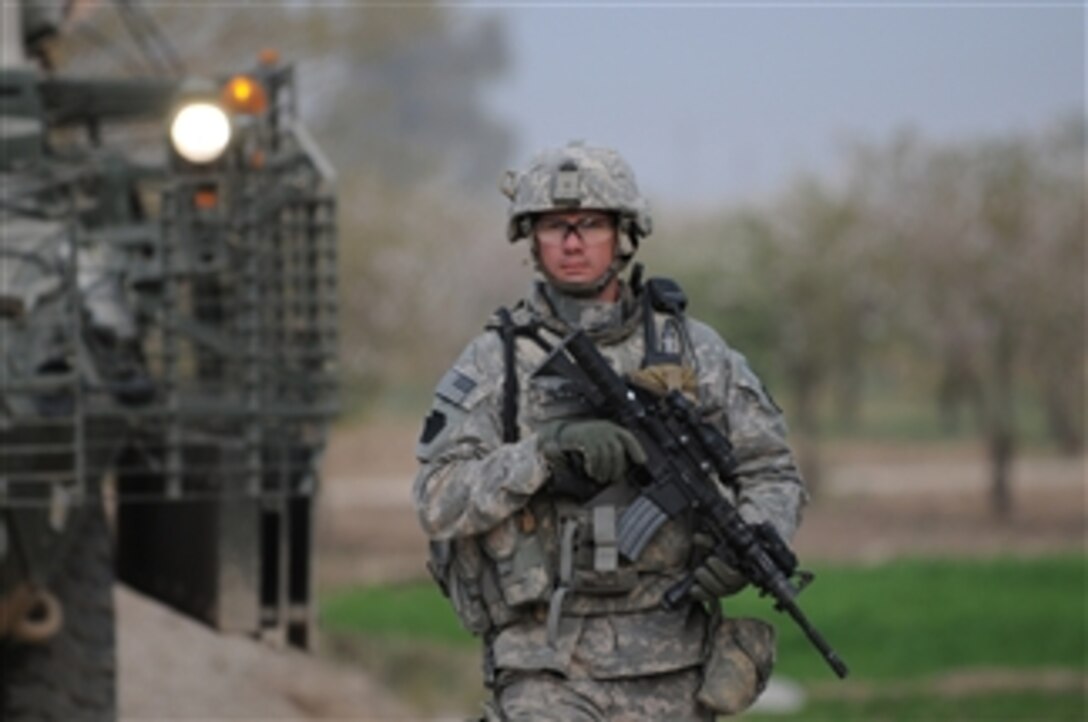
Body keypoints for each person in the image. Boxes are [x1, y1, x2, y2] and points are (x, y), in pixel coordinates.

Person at [413, 141, 807, 721]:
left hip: (676, 665)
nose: (573, 242)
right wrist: (541, 454)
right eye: (554, 226)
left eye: (591, 224)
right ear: (531, 239)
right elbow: (437, 499)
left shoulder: (696, 353)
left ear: (624, 234)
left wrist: (751, 539)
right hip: (545, 664)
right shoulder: (495, 363)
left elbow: (771, 470)